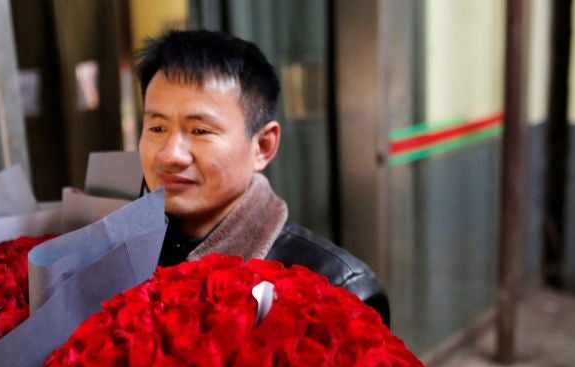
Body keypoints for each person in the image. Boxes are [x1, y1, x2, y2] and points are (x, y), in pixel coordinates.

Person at [136, 29, 390, 326]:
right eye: (157, 129)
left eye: (200, 131)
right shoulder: (118, 261)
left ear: (263, 146)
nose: (170, 155)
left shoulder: (337, 289)